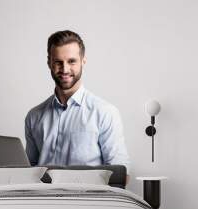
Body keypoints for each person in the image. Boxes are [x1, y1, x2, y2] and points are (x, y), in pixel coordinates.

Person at [25, 30, 130, 172]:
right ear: (49, 63)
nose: (65, 69)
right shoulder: (34, 116)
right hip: (43, 194)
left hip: (87, 193)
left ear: (83, 61)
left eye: (71, 61)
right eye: (58, 62)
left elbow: (122, 172)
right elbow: (29, 171)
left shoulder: (105, 113)